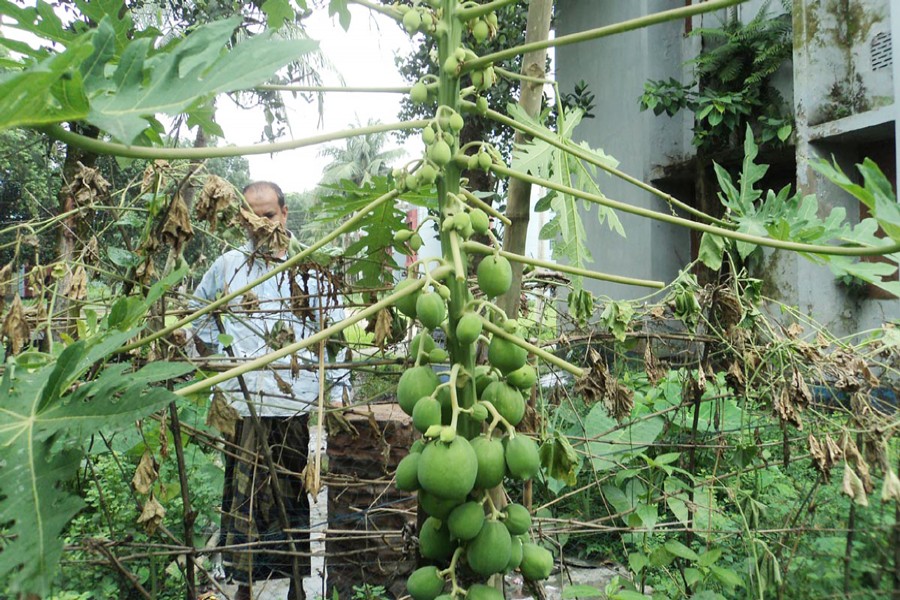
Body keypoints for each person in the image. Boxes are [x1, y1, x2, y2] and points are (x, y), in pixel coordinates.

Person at [192, 181, 349, 600]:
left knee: (292, 500)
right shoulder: (228, 266)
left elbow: (334, 335)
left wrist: (338, 390)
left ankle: (297, 587)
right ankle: (243, 590)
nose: (258, 224)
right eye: (250, 215)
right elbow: (196, 314)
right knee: (243, 504)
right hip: (244, 405)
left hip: (293, 404)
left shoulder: (310, 266)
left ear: (284, 214)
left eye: (267, 214)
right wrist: (219, 360)